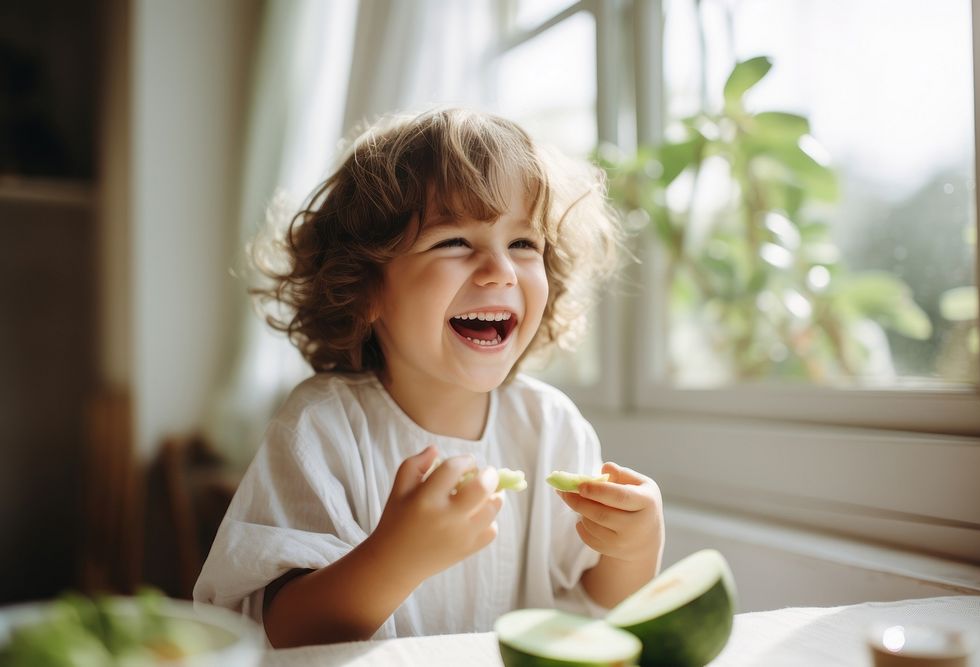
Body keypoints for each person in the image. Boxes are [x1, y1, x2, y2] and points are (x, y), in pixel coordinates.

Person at [193, 108, 665, 648]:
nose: (501, 270)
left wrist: (634, 547)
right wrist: (396, 557)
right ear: (365, 287)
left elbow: (600, 602)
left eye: (523, 244)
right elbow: (281, 632)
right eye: (454, 242)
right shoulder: (323, 426)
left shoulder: (551, 425)